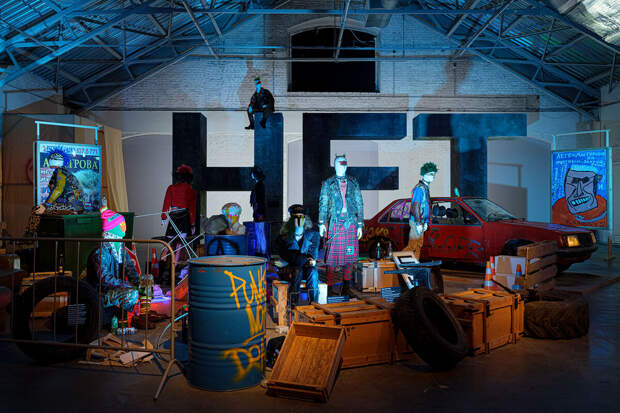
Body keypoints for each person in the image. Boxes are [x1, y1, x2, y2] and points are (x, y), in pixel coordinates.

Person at [318, 154, 364, 291]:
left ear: (347, 165)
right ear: (335, 165)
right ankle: (330, 287)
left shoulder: (353, 182)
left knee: (350, 257)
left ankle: (346, 287)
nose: (342, 167)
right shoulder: (328, 183)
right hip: (335, 222)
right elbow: (323, 204)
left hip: (350, 223)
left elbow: (359, 203)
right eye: (339, 164)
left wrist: (360, 224)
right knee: (332, 258)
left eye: (344, 164)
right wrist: (321, 223)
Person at [87, 207, 140, 312]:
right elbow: (104, 278)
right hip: (99, 293)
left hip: (114, 289)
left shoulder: (120, 248)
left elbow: (130, 268)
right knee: (131, 293)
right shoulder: (100, 252)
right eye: (122, 225)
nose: (124, 228)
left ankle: (131, 312)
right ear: (114, 227)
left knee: (142, 288)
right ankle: (128, 315)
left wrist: (139, 284)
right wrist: (127, 285)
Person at [277, 204, 320, 305]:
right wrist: (304, 259)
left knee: (313, 271)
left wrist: (306, 260)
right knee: (297, 271)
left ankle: (314, 303)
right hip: (290, 268)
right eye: (296, 217)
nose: (299, 219)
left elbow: (313, 255)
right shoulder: (284, 236)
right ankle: (293, 303)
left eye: (301, 216)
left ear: (305, 218)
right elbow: (284, 255)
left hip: (305, 267)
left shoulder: (313, 234)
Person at [405, 162, 438, 261]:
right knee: (412, 245)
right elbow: (415, 206)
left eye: (434, 174)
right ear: (424, 174)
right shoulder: (420, 189)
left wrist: (426, 222)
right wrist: (418, 223)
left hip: (421, 221)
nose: (433, 176)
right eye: (430, 174)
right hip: (416, 221)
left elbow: (426, 207)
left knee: (418, 245)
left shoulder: (425, 188)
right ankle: (396, 261)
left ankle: (414, 264)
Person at [161, 164, 197, 237]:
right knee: (182, 241)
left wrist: (163, 217)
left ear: (178, 176)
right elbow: (192, 209)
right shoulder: (191, 191)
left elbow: (166, 203)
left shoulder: (171, 188)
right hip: (184, 218)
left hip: (174, 216)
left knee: (170, 239)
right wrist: (192, 223)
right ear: (189, 178)